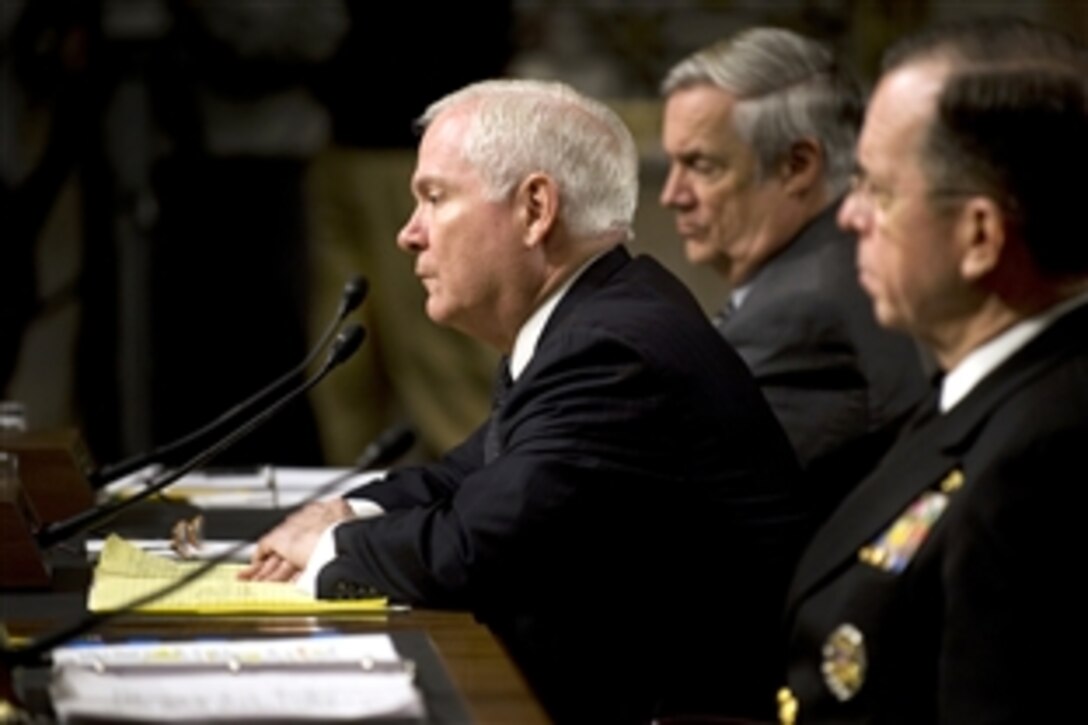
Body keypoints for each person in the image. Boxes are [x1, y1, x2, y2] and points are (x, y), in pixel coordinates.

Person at [242, 79, 810, 723]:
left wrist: (332, 547)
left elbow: (472, 546)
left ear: (536, 208)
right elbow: (471, 476)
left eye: (434, 198)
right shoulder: (598, 314)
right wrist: (347, 507)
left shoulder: (612, 347)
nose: (409, 234)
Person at [779, 17, 1088, 724]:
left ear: (979, 235)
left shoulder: (1045, 455)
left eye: (879, 191)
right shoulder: (984, 388)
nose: (850, 215)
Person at [659, 27, 929, 519]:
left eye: (700, 165)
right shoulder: (830, 271)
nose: (672, 194)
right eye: (673, 165)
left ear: (797, 165)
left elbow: (691, 516)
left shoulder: (802, 311)